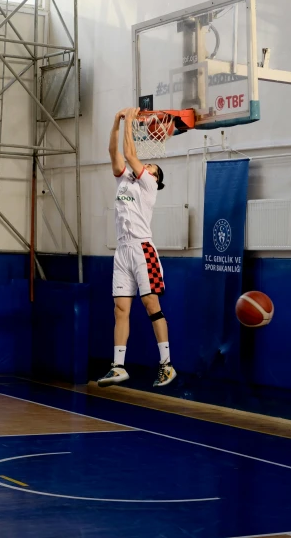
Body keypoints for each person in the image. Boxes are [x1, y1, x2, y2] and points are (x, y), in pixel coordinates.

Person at [98, 107, 176, 388]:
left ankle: (166, 365)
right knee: (120, 309)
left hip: (143, 249)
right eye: (149, 166)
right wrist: (116, 121)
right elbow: (113, 151)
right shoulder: (124, 180)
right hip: (122, 251)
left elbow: (131, 155)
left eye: (153, 168)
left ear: (155, 178)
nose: (149, 167)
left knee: (150, 304)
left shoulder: (148, 185)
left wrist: (131, 120)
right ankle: (118, 366)